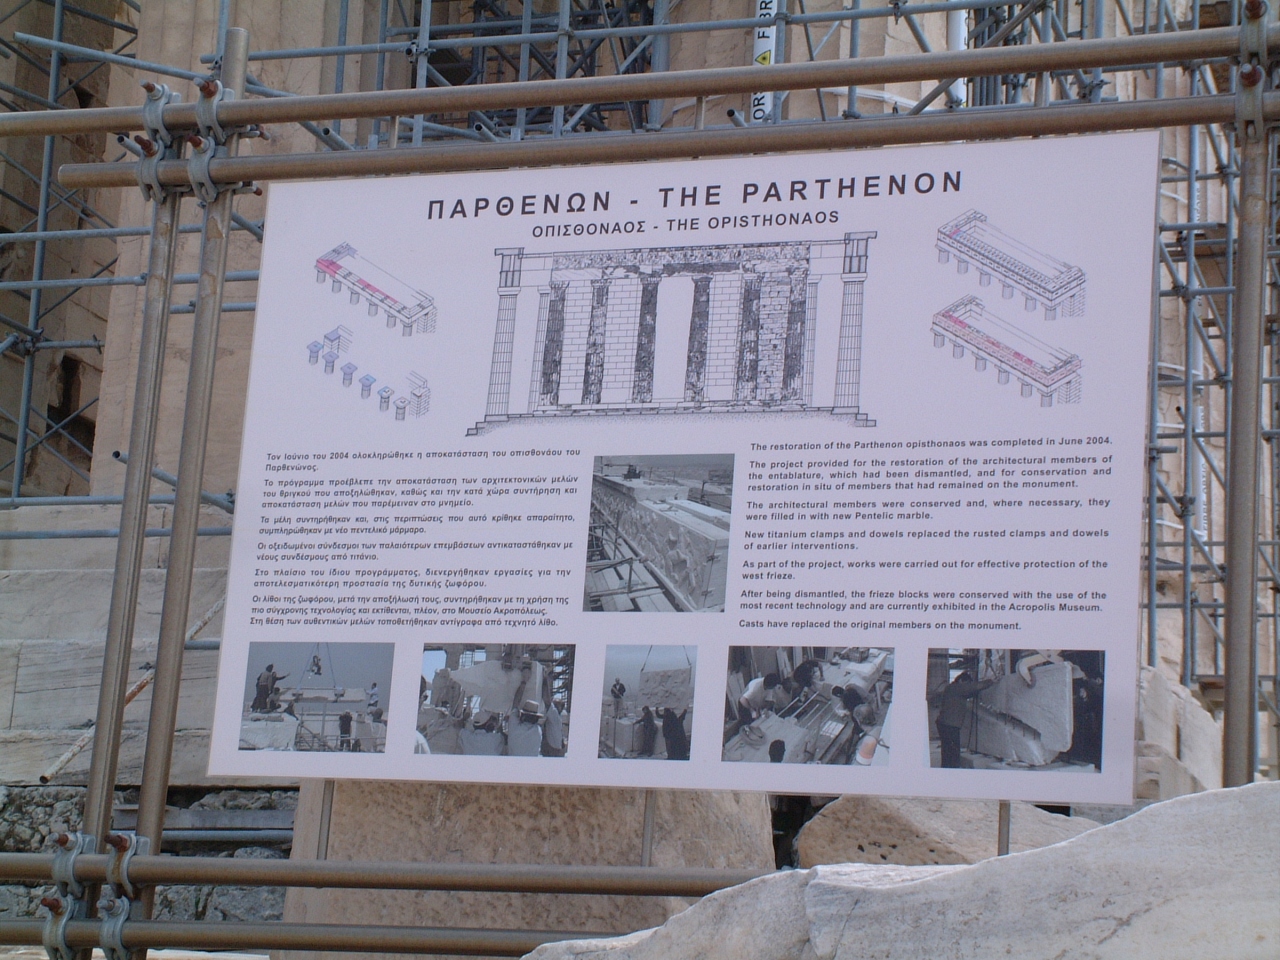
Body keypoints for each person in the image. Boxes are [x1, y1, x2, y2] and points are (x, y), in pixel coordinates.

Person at [936, 671, 995, 768]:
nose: (967, 686)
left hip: (945, 723)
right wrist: (991, 681)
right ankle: (952, 770)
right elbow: (974, 687)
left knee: (947, 750)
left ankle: (946, 769)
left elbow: (969, 692)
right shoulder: (956, 688)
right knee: (953, 752)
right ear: (961, 681)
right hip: (949, 725)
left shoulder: (952, 689)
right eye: (967, 683)